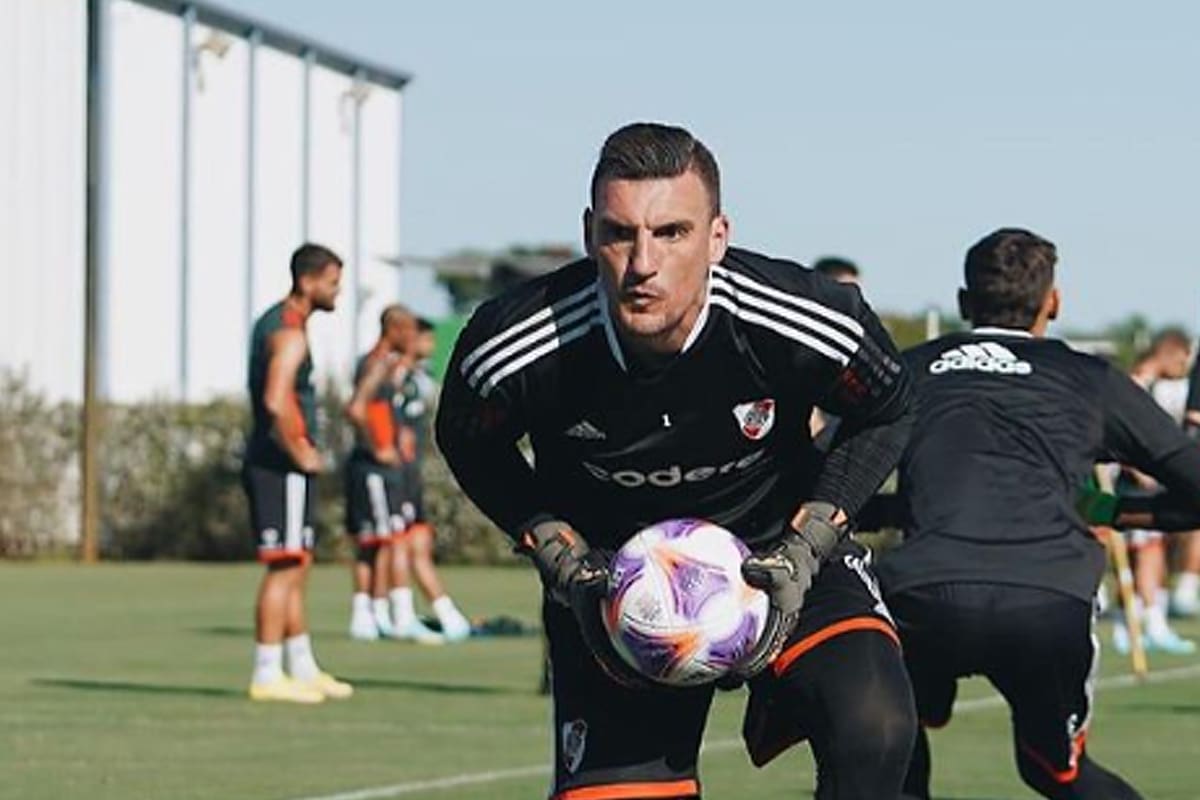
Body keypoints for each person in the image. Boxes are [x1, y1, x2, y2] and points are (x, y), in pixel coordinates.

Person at [436, 122, 917, 800]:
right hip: (612, 583)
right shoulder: (513, 343)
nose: (643, 263)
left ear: (717, 237)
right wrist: (554, 546)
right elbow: (467, 439)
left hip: (783, 557)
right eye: (619, 233)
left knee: (877, 732)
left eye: (672, 233)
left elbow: (890, 407)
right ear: (588, 234)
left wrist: (811, 541)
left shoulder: (806, 317)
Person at [877, 228, 1200, 800]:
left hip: (922, 598)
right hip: (1047, 601)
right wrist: (1113, 510)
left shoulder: (909, 370)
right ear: (1054, 302)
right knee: (1054, 771)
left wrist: (904, 507)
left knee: (893, 748)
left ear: (963, 302)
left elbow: (828, 483)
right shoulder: (1090, 378)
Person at [243, 243, 353, 703]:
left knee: (298, 564)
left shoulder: (282, 322)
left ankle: (302, 665)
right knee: (284, 567)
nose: (338, 292)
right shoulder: (289, 331)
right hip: (279, 466)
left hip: (282, 467)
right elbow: (275, 400)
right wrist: (300, 451)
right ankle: (267, 672)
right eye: (332, 283)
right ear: (307, 282)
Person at [387, 317, 472, 642]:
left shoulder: (417, 376)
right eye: (425, 339)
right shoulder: (392, 372)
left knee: (418, 540)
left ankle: (445, 613)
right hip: (395, 472)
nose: (431, 346)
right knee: (399, 541)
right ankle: (401, 615)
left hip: (411, 471)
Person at [344, 304, 417, 641]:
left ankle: (368, 615)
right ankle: (376, 612)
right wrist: (378, 447)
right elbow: (356, 408)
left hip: (376, 468)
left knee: (373, 542)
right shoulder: (375, 363)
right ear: (394, 329)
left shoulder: (386, 364)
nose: (413, 337)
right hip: (374, 467)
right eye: (409, 330)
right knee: (384, 541)